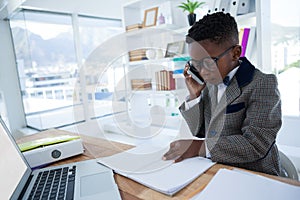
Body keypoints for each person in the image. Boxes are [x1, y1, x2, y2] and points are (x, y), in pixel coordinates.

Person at [163, 12, 282, 176]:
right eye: (196, 64)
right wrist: (194, 96)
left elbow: (255, 144)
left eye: (208, 62)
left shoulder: (263, 84)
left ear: (235, 53)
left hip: (256, 175)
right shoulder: (210, 85)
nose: (202, 71)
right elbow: (200, 132)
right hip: (219, 169)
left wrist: (199, 147)